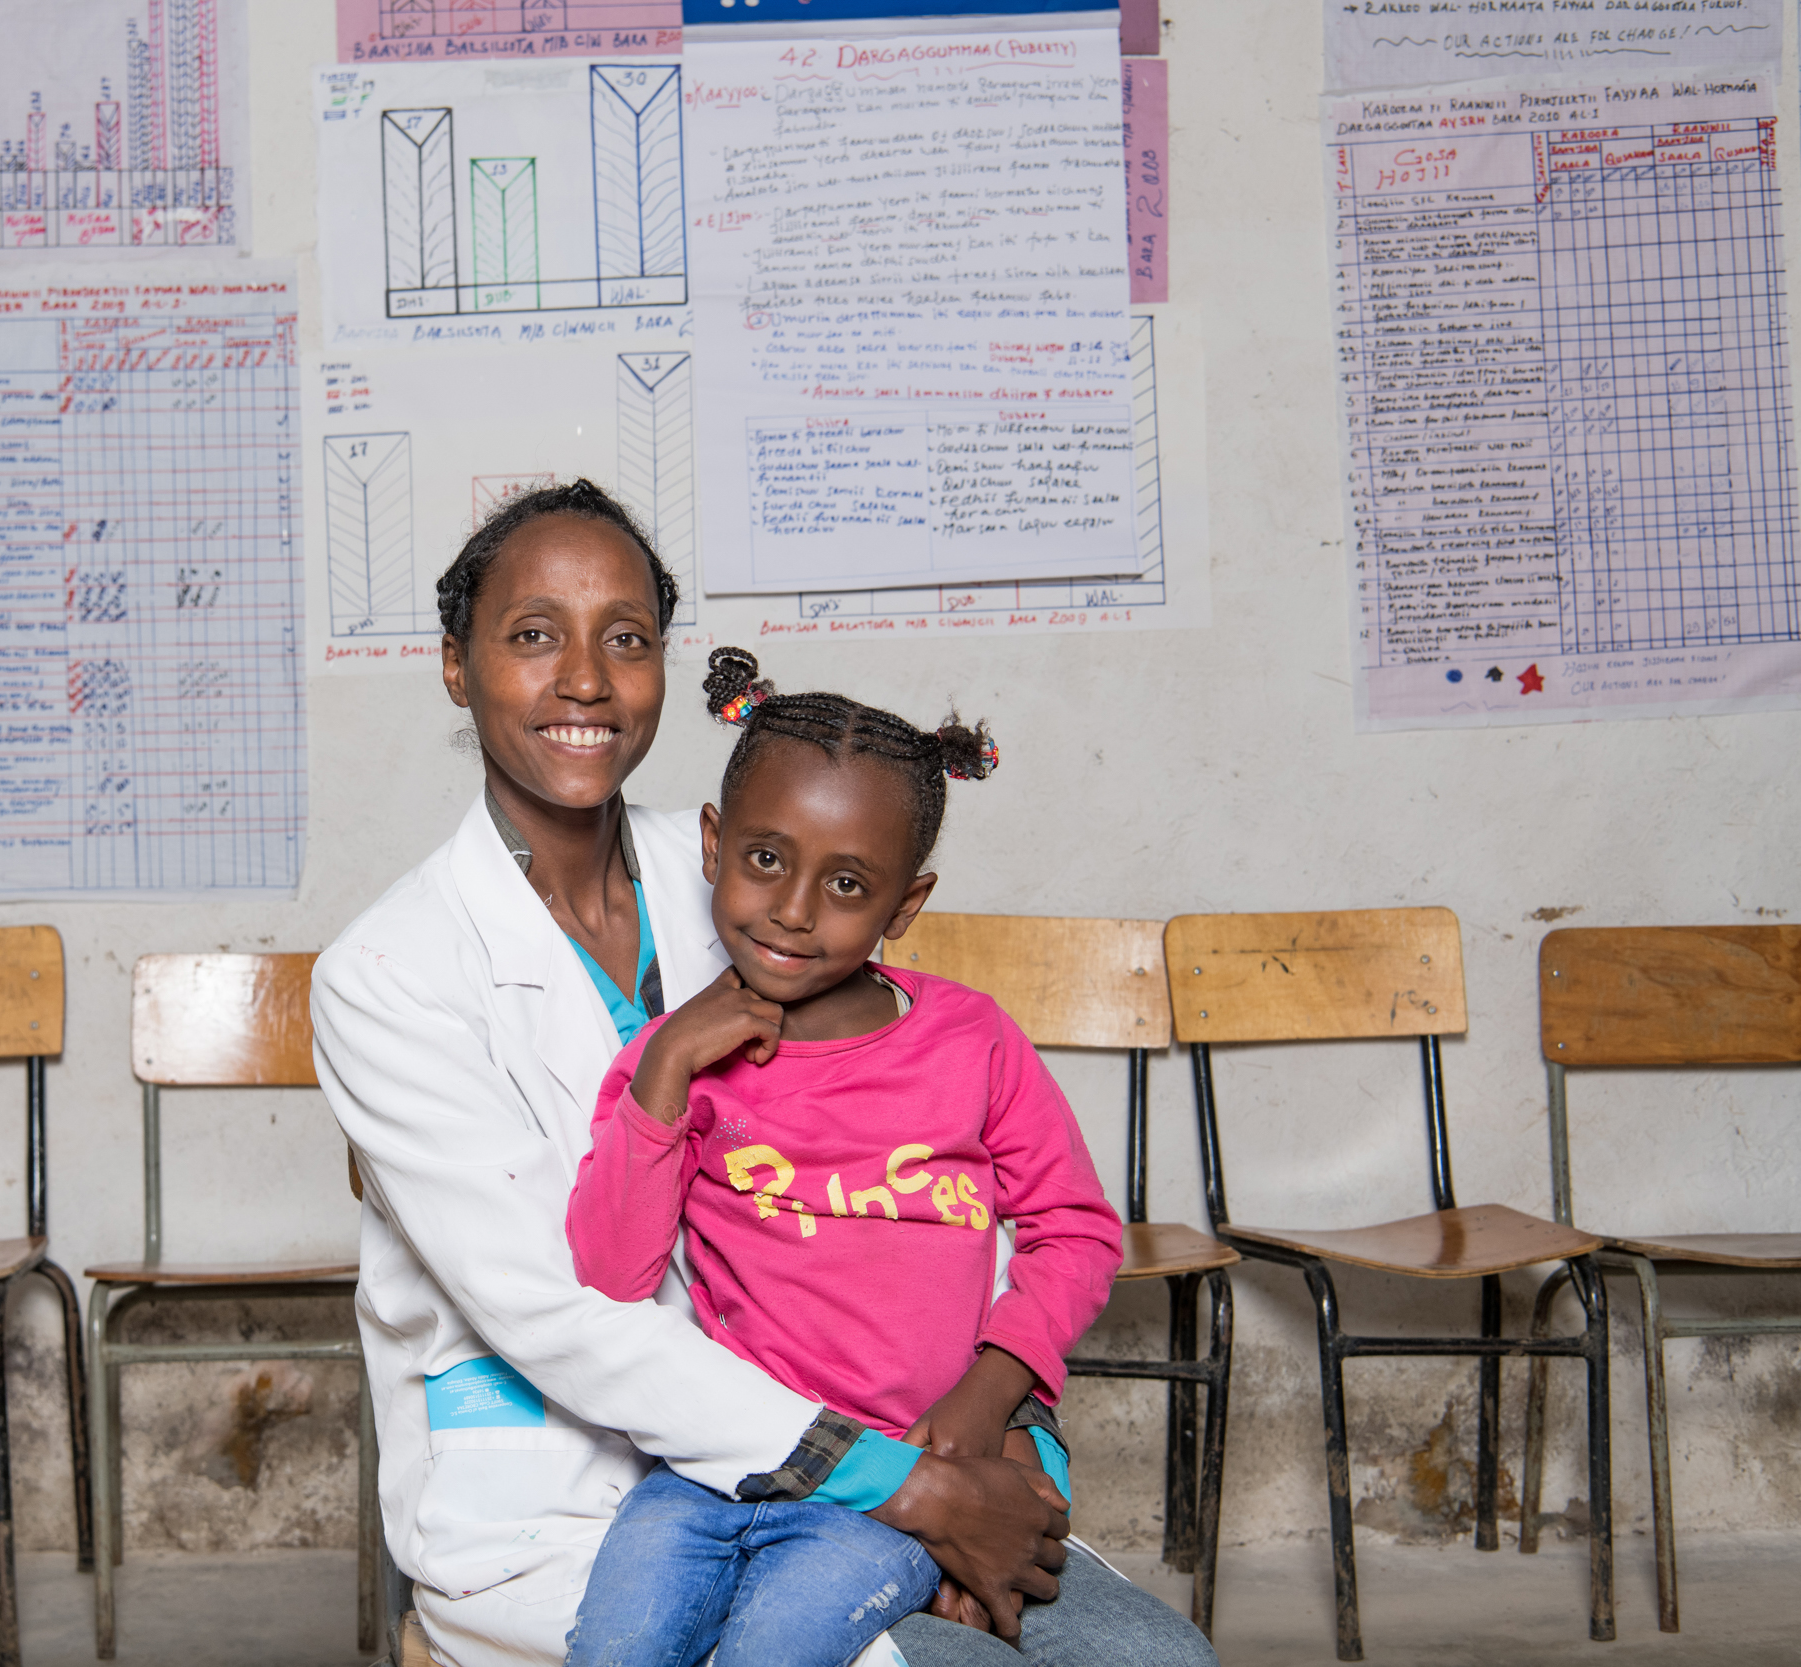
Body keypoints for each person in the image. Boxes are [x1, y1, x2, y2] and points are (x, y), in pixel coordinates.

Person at [311, 480, 1215, 1667]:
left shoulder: (766, 872)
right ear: (453, 664)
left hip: (883, 1452)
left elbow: (936, 1177)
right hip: (583, 1509)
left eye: (624, 638)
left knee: (1161, 1662)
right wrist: (912, 1489)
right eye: (533, 634)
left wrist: (993, 1429)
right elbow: (562, 1307)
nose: (584, 678)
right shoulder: (388, 971)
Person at [560, 649, 1125, 1667]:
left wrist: (988, 1392)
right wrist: (668, 1072)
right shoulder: (671, 1057)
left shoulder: (972, 1040)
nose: (793, 907)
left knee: (777, 1647)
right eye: (766, 859)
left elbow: (1074, 1229)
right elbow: (610, 1272)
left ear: (904, 904)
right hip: (712, 1466)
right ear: (711, 843)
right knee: (617, 1645)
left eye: (849, 882)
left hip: (889, 1471)